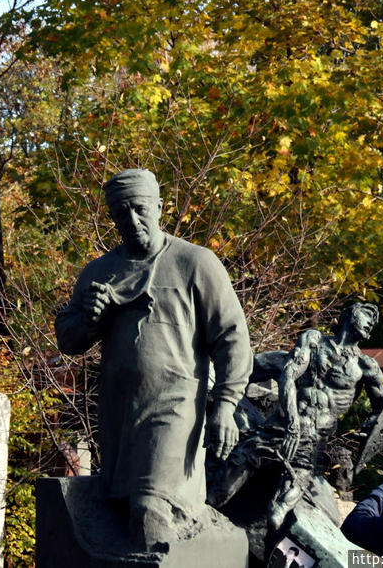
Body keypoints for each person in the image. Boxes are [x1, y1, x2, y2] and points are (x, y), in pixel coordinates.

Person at [55, 169, 253, 552]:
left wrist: (226, 405)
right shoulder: (99, 271)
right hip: (118, 415)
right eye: (120, 214)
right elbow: (68, 338)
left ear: (160, 207)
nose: (131, 221)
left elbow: (232, 336)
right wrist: (90, 319)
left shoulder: (194, 262)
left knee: (149, 510)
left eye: (140, 209)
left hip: (174, 410)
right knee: (117, 515)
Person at [210, 302, 383, 531]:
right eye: (367, 316)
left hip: (309, 445)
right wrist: (292, 422)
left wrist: (373, 427)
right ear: (350, 314)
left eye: (373, 322)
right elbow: (289, 375)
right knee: (223, 485)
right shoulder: (314, 340)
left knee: (278, 513)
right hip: (278, 430)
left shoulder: (366, 367)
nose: (371, 324)